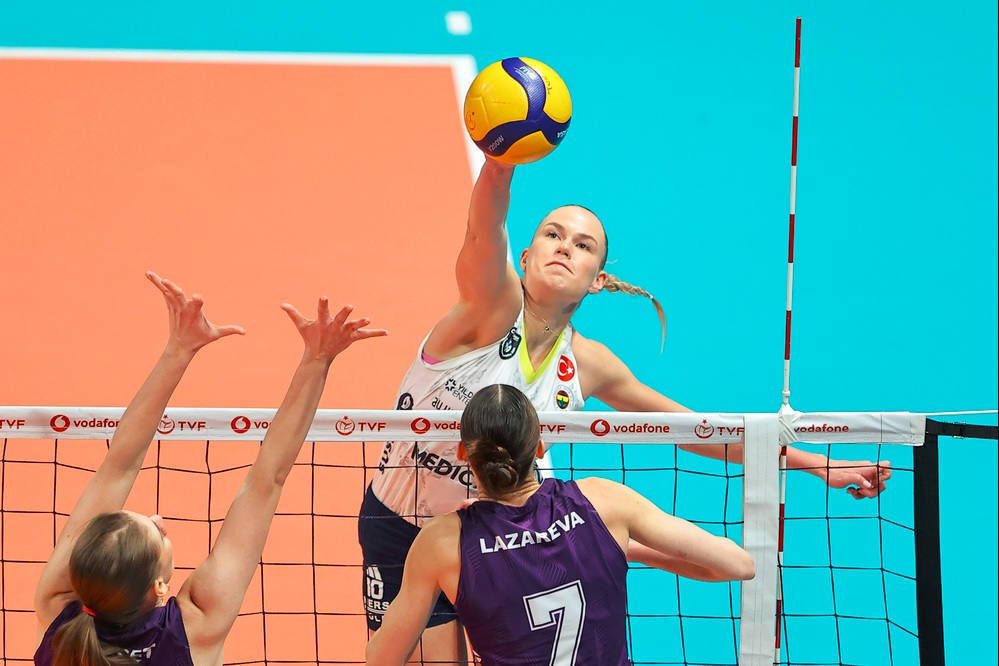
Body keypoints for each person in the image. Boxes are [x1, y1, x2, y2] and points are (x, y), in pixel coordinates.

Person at [359, 158, 892, 663]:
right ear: (524, 258)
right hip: (405, 528)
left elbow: (691, 430)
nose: (565, 247)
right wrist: (500, 163)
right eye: (552, 235)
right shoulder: (488, 309)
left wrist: (819, 464)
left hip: (504, 537)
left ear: (597, 279)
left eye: (582, 245)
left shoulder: (589, 364)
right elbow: (484, 228)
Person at [34, 271, 386, 666]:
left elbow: (119, 466)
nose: (160, 520)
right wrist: (317, 359)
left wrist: (178, 351)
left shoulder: (59, 619)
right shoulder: (193, 627)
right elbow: (264, 482)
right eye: (157, 533)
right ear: (159, 586)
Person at [365, 383, 756, 665]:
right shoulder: (603, 502)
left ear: (463, 453)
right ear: (538, 447)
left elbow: (383, 658)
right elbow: (738, 566)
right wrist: (628, 549)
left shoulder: (442, 542)